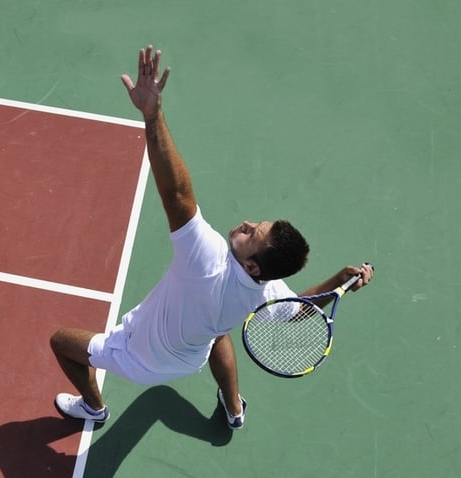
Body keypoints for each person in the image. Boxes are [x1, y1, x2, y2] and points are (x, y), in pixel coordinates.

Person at [50, 44, 374, 429]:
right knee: (220, 335)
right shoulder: (264, 291)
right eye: (258, 223)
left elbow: (177, 194)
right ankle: (234, 408)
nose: (247, 224)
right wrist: (340, 281)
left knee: (61, 342)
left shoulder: (205, 260)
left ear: (252, 263)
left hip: (139, 358)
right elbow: (302, 310)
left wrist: (152, 116)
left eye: (253, 234)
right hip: (193, 354)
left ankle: (93, 408)